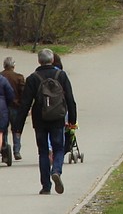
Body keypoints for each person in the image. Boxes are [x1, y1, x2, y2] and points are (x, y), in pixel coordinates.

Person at [13, 48, 77, 195]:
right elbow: (70, 100)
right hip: (58, 117)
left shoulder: (33, 78)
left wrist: (18, 127)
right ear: (53, 60)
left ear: (38, 61)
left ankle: (46, 186)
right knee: (59, 148)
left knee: (42, 152)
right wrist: (72, 120)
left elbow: (25, 104)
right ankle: (56, 171)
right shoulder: (61, 75)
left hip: (40, 119)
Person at [1, 57, 24, 160]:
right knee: (16, 129)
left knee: (3, 129)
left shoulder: (1, 76)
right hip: (15, 106)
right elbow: (23, 92)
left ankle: (4, 148)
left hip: (3, 107)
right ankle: (16, 150)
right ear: (13, 66)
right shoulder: (19, 77)